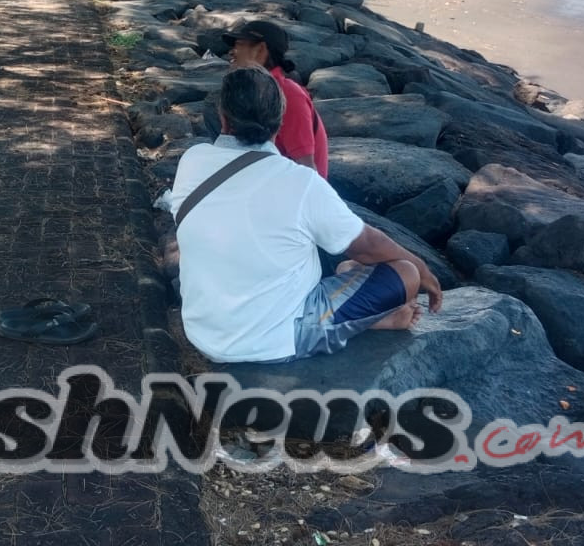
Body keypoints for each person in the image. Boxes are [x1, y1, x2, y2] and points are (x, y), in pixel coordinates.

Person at [166, 67, 443, 364]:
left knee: (350, 267)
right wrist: (422, 268)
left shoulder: (192, 160)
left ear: (223, 117)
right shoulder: (300, 182)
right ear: (279, 122)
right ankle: (370, 321)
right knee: (404, 274)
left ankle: (365, 317)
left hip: (204, 332)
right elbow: (367, 245)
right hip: (278, 339)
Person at [224, 20, 328, 177]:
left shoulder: (287, 95)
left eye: (239, 44)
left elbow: (308, 168)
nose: (231, 52)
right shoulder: (253, 90)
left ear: (260, 50)